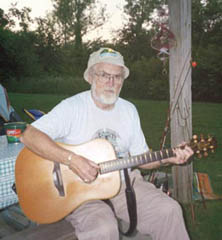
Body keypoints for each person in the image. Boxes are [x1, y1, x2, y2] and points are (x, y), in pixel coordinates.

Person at [20, 47, 194, 240]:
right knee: (103, 229)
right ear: (91, 77)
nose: (111, 82)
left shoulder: (129, 111)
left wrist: (168, 158)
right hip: (80, 193)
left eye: (117, 77)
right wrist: (71, 159)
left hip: (124, 186)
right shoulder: (72, 107)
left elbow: (143, 158)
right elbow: (28, 135)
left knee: (169, 210)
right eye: (104, 75)